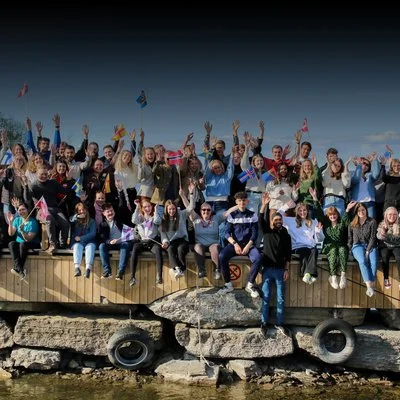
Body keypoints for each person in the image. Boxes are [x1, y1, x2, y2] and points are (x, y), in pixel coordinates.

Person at [258, 193, 292, 338]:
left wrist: (286, 269)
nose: (278, 221)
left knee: (280, 299)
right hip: (267, 270)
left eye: (280, 219)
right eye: (276, 220)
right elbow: (260, 219)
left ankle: (280, 323)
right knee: (265, 297)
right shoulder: (267, 232)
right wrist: (264, 205)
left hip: (279, 270)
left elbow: (288, 254)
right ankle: (263, 322)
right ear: (272, 221)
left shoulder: (286, 235)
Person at [218, 191, 262, 297]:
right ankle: (228, 284)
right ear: (236, 202)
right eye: (239, 200)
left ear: (247, 201)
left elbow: (255, 234)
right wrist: (235, 244)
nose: (242, 202)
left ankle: (250, 285)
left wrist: (248, 246)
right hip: (235, 245)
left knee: (258, 258)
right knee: (222, 256)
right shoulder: (232, 215)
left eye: (244, 200)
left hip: (249, 245)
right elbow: (227, 233)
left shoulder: (252, 215)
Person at [281, 199, 324, 284]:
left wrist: (319, 232)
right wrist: (286, 206)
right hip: (296, 247)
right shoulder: (291, 221)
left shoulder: (313, 221)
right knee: (305, 250)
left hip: (310, 247)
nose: (302, 212)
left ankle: (308, 274)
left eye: (304, 210)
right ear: (297, 212)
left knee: (315, 250)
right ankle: (306, 273)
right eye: (300, 210)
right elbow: (276, 215)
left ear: (307, 211)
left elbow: (320, 239)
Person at [129, 199, 163, 286]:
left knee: (158, 249)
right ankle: (132, 277)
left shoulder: (153, 218)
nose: (147, 209)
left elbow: (158, 221)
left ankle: (159, 276)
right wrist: (137, 207)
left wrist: (156, 210)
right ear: (142, 208)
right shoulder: (140, 218)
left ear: (151, 207)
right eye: (145, 207)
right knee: (135, 248)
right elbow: (133, 220)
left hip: (152, 242)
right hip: (142, 242)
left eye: (149, 206)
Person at [348, 202, 378, 297]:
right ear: (356, 212)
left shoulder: (372, 221)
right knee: (362, 261)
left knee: (374, 263)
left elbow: (373, 238)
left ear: (366, 210)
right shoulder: (352, 223)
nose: (361, 212)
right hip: (357, 246)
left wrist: (368, 250)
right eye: (359, 210)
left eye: (363, 210)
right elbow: (350, 238)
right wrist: (350, 249)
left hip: (371, 245)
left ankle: (370, 285)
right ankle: (369, 287)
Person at [98, 203, 133, 280]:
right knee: (101, 246)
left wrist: (119, 240)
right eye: (108, 211)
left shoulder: (120, 220)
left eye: (111, 210)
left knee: (125, 245)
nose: (110, 213)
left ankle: (120, 271)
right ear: (104, 213)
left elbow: (128, 232)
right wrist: (109, 241)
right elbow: (102, 238)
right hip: (110, 243)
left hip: (121, 241)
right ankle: (107, 271)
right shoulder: (102, 224)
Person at [7, 202, 41, 280]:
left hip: (32, 243)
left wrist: (22, 231)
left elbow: (28, 239)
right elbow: (11, 234)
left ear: (27, 210)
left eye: (23, 209)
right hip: (20, 243)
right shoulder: (17, 220)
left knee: (23, 244)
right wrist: (10, 222)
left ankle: (19, 269)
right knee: (11, 244)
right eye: (20, 210)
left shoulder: (33, 222)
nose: (22, 211)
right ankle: (20, 270)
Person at [70, 203, 97, 278]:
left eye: (83, 209)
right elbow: (70, 220)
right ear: (77, 212)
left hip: (90, 241)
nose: (82, 211)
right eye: (79, 210)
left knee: (90, 247)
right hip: (79, 243)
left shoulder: (92, 221)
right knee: (76, 246)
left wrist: (81, 238)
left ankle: (88, 269)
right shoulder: (76, 221)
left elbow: (93, 233)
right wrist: (77, 216)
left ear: (86, 210)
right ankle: (77, 268)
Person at [377, 206, 400, 289]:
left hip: (397, 246)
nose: (392, 216)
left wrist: (386, 236)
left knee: (399, 257)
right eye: (390, 214)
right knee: (384, 256)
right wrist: (383, 232)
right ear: (386, 215)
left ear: (397, 215)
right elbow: (379, 237)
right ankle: (386, 279)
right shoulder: (382, 224)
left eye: (394, 214)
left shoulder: (399, 225)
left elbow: (398, 240)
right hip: (385, 246)